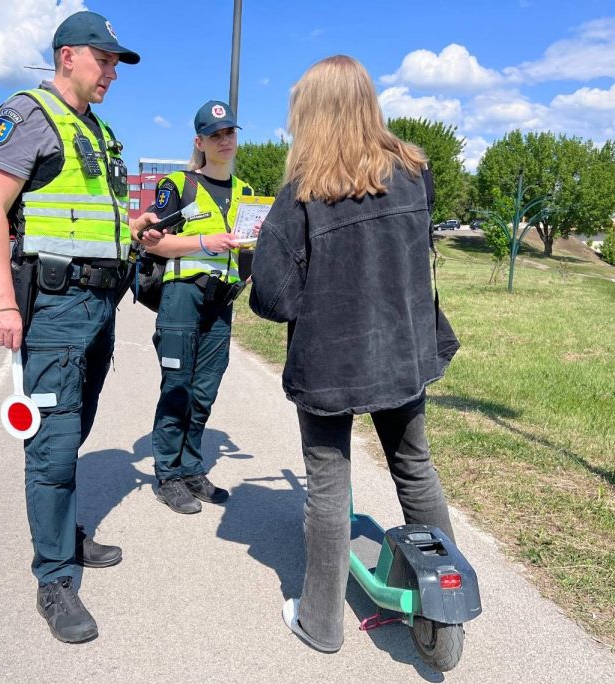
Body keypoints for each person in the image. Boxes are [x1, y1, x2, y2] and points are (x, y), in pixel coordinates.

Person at [249, 55, 460, 653]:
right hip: (402, 351)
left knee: (327, 483)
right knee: (414, 467)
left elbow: (274, 296)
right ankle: (447, 606)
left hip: (330, 361)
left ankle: (321, 621)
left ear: (311, 113)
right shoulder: (415, 171)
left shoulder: (303, 192)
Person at [0, 10, 162, 644]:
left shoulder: (98, 131)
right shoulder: (29, 115)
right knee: (52, 447)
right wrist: (3, 301)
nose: (112, 71)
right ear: (67, 57)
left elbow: (84, 216)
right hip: (53, 311)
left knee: (74, 429)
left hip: (98, 308)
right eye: (104, 59)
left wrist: (133, 231)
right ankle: (54, 577)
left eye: (115, 63)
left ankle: (64, 537)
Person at [142, 100, 254, 514]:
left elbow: (247, 251)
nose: (225, 141)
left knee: (204, 390)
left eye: (230, 133)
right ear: (200, 141)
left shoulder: (244, 193)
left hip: (220, 302)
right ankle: (168, 474)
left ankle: (191, 468)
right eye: (216, 135)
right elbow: (155, 241)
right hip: (183, 297)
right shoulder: (180, 184)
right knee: (177, 386)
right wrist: (206, 242)